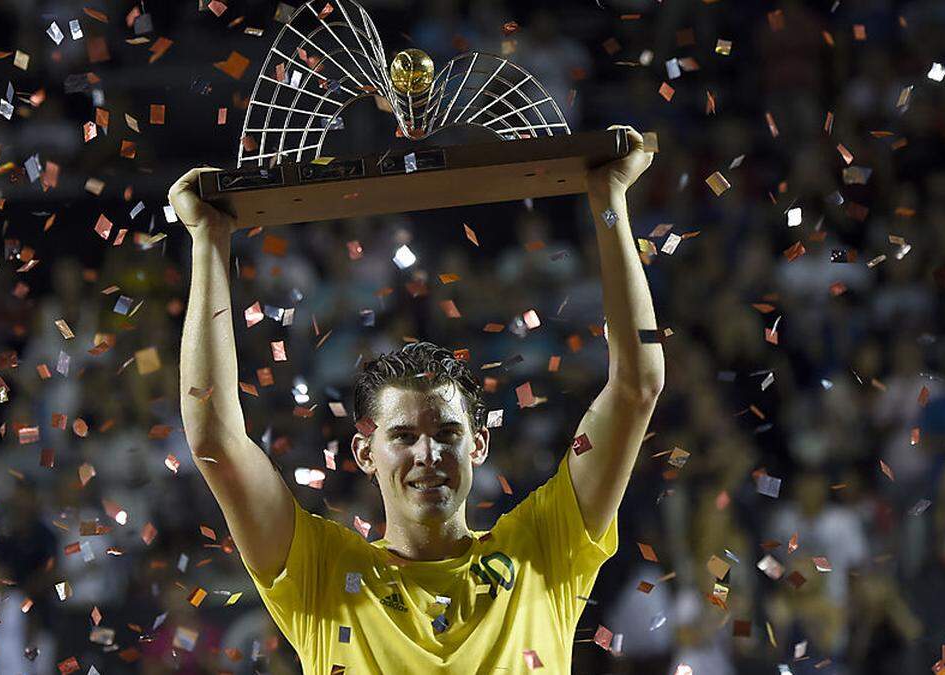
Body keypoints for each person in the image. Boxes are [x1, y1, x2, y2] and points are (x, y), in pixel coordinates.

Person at [168, 126, 662, 672]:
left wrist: (610, 203)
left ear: (478, 445)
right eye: (403, 436)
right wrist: (208, 241)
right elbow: (214, 440)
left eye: (448, 433)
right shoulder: (320, 571)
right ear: (364, 454)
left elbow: (637, 388)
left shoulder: (544, 549)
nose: (428, 455)